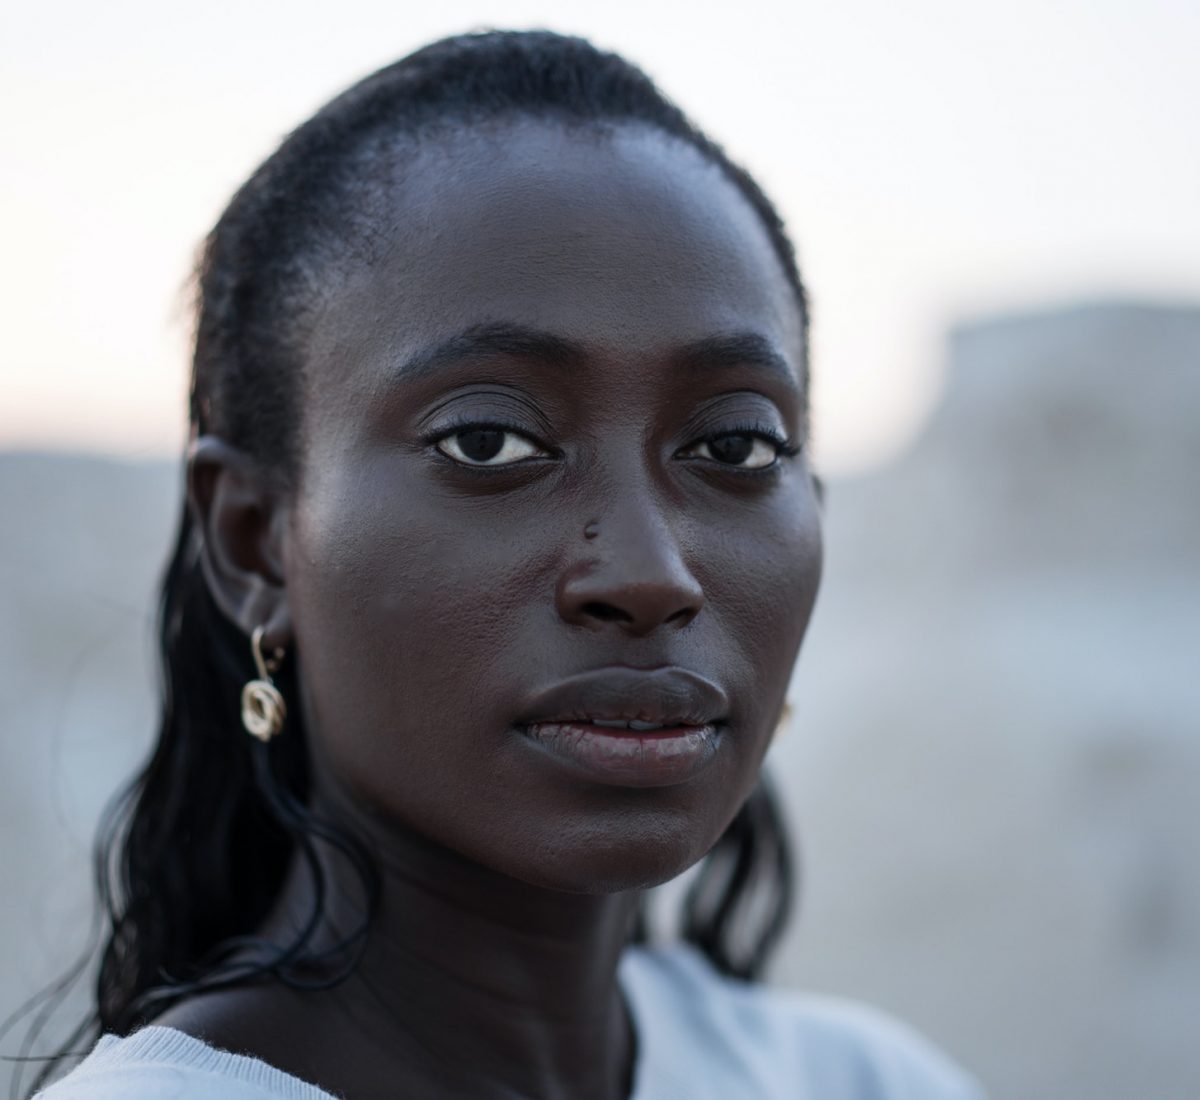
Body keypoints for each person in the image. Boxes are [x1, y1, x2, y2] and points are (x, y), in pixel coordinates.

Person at [24, 29, 982, 1100]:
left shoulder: (866, 1080)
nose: (650, 571)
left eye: (735, 446)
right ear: (253, 537)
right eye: (488, 442)